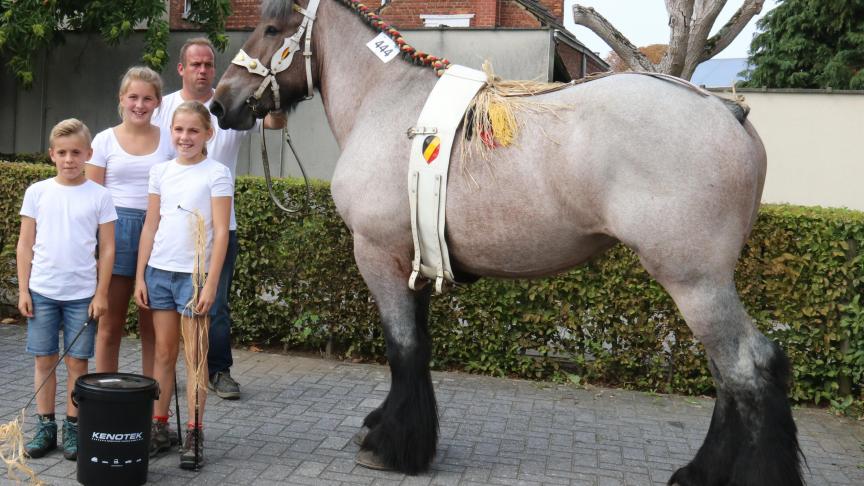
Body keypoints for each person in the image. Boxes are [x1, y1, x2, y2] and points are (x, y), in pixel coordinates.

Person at [152, 37, 285, 400]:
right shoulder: (162, 109)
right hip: (172, 230)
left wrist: (278, 93)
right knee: (166, 307)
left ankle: (218, 371)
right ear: (181, 69)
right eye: (194, 64)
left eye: (208, 64)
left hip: (221, 228)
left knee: (217, 304)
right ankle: (166, 373)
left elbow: (274, 122)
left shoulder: (229, 104)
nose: (202, 70)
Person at [135, 100, 232, 469]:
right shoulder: (160, 171)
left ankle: (194, 430)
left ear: (208, 133)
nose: (185, 137)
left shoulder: (217, 173)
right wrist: (142, 273)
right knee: (163, 353)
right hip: (159, 272)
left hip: (194, 277)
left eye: (193, 130)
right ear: (170, 132)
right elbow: (151, 224)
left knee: (195, 358)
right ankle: (159, 427)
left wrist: (210, 285)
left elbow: (221, 232)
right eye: (179, 130)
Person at [17, 119, 117, 461]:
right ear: (51, 155)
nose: (69, 159)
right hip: (42, 292)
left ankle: (74, 428)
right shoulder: (38, 192)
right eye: (62, 153)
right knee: (44, 360)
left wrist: (101, 293)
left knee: (78, 363)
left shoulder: (100, 196)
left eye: (76, 152)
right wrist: (24, 290)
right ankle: (45, 427)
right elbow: (25, 244)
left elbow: (107, 249)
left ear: (88, 154)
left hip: (82, 296)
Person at [86, 66, 174, 376]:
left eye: (147, 98)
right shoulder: (104, 140)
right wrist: (96, 247)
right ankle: (105, 394)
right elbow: (92, 200)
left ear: (157, 103)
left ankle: (151, 403)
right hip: (116, 233)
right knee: (110, 325)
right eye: (133, 97)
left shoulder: (169, 141)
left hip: (158, 233)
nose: (140, 104)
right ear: (122, 99)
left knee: (153, 327)